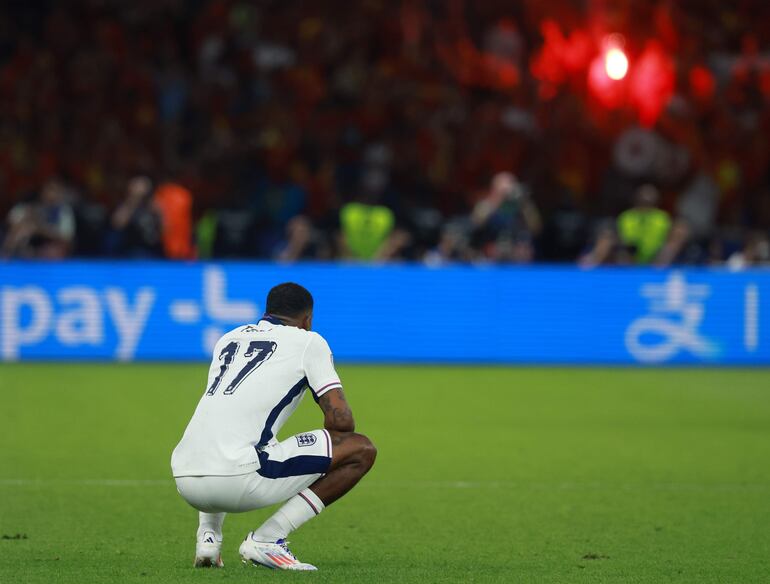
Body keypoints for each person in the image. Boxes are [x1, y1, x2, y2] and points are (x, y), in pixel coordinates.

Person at [171, 283, 377, 571]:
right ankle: (268, 539)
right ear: (307, 319)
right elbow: (341, 422)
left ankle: (208, 538)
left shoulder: (228, 339)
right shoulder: (309, 341)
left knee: (224, 430)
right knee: (360, 448)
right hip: (236, 480)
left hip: (184, 476)